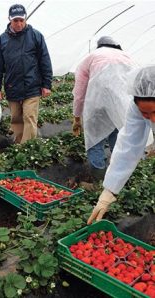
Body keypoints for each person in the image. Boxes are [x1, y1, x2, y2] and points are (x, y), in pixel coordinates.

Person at [87, 65, 155, 224]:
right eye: (145, 113)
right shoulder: (136, 108)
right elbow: (129, 146)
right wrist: (110, 189)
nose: (151, 119)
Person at [72, 36, 136, 178]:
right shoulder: (127, 57)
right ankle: (121, 176)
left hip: (97, 104)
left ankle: (98, 179)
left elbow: (79, 92)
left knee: (95, 140)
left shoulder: (91, 57)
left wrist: (77, 115)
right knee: (118, 138)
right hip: (121, 105)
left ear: (99, 46)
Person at [0, 4, 53, 144]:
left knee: (30, 116)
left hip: (32, 85)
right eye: (15, 20)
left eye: (21, 20)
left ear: (25, 19)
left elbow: (45, 60)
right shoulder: (2, 40)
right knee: (16, 118)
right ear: (9, 20)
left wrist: (46, 84)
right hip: (12, 85)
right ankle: (19, 145)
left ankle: (28, 148)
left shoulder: (36, 36)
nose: (19, 23)